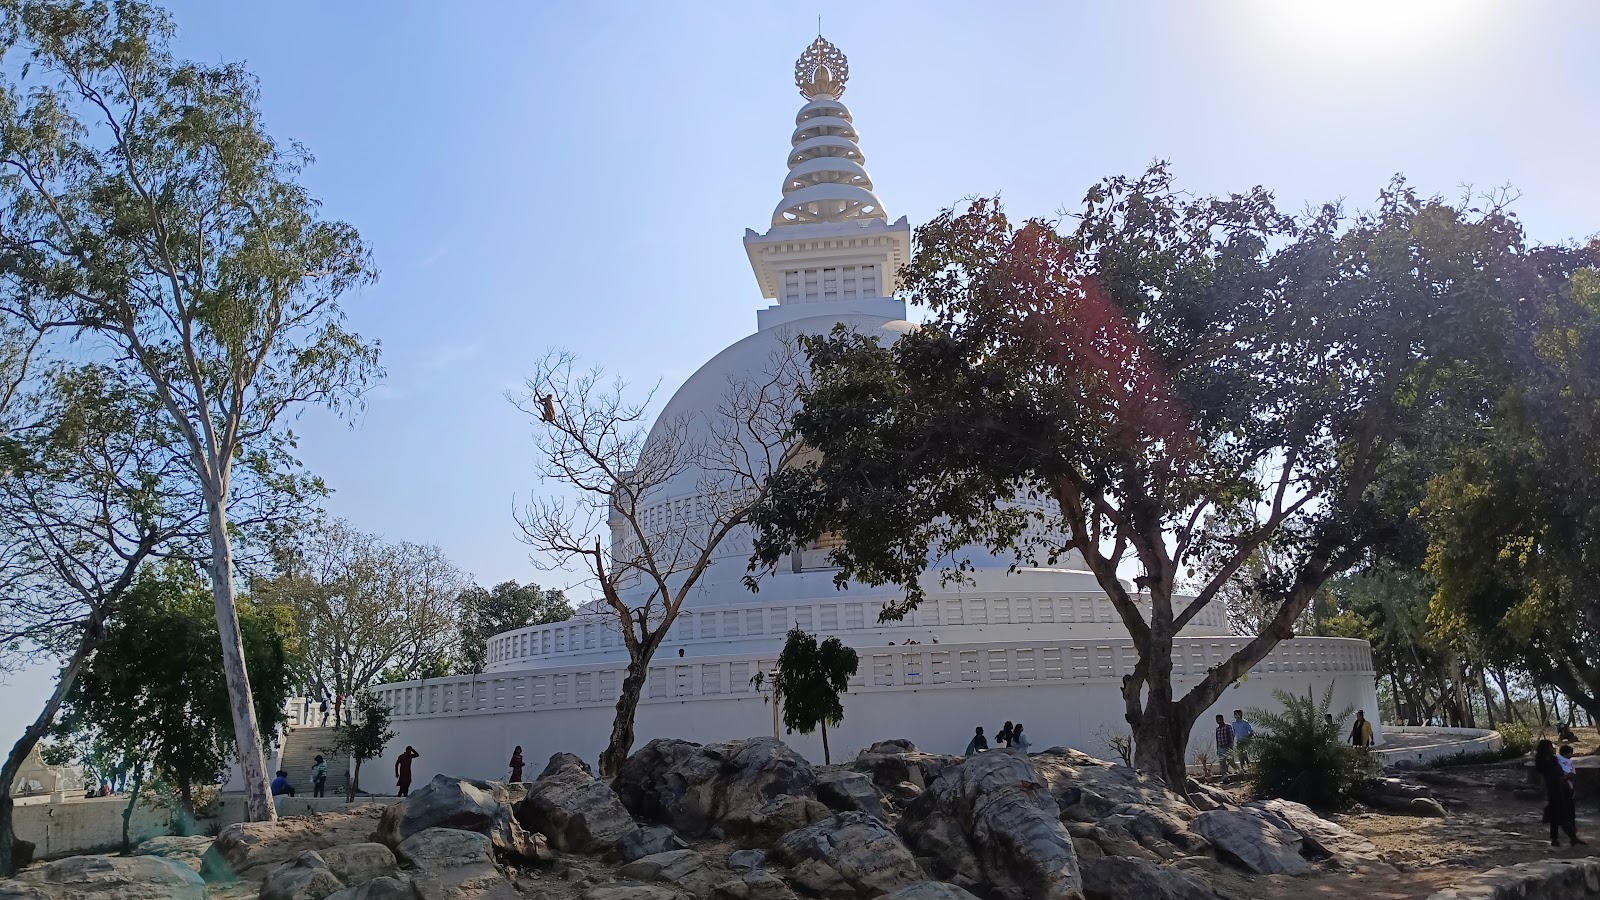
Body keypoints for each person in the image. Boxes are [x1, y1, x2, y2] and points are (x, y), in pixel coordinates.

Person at [1536, 739, 1584, 847]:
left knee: (1558, 814)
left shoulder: (1553, 760)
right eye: (1551, 747)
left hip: (1563, 789)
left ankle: (1557, 838)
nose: (1554, 748)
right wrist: (1565, 777)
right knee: (1562, 814)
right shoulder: (1545, 764)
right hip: (1555, 791)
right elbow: (1553, 778)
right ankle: (1571, 837)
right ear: (1546, 749)